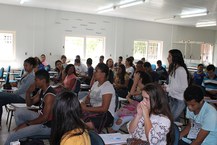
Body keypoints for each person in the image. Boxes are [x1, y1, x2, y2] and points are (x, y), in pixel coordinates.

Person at [5, 69, 56, 145]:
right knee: (18, 112)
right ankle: (24, 138)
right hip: (41, 118)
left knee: (13, 135)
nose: (34, 82)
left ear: (43, 80)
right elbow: (29, 103)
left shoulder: (49, 95)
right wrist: (28, 92)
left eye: (36, 80)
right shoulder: (42, 90)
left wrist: (27, 124)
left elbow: (44, 119)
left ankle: (22, 133)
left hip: (47, 126)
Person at [0, 57, 36, 129]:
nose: (24, 67)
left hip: (23, 98)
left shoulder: (32, 76)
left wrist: (12, 93)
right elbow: (20, 85)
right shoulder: (27, 74)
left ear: (32, 66)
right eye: (24, 65)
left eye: (26, 65)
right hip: (19, 95)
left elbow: (23, 89)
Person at [80, 63, 116, 133]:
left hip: (106, 115)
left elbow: (104, 109)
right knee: (74, 117)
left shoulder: (107, 86)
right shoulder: (96, 83)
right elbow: (88, 98)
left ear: (103, 74)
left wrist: (85, 108)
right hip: (93, 110)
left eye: (96, 71)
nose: (94, 73)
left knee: (82, 124)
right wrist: (82, 102)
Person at [164, 49, 189, 120]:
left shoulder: (181, 70)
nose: (167, 58)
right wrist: (166, 87)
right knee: (170, 120)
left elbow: (184, 88)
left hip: (179, 100)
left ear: (175, 58)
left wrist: (168, 89)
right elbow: (173, 85)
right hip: (172, 97)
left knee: (171, 120)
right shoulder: (174, 69)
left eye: (169, 56)